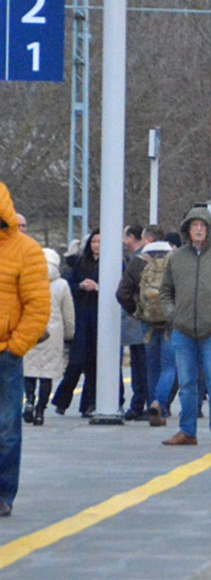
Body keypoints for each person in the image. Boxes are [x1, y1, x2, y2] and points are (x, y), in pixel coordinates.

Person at [158, 207, 211, 447]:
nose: (198, 229)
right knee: (186, 383)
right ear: (187, 229)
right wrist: (172, 314)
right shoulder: (177, 258)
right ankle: (187, 431)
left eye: (202, 225)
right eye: (194, 225)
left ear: (209, 229)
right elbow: (166, 291)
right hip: (183, 330)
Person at [0, 182, 52, 517]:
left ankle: (3, 493)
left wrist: (15, 348)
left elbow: (38, 307)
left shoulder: (26, 250)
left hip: (5, 354)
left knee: (6, 428)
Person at [116, 225, 178, 426]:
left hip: (147, 322)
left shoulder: (137, 262)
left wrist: (137, 311)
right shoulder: (177, 259)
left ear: (147, 240)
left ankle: (152, 404)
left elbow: (122, 293)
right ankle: (161, 404)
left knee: (151, 366)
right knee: (169, 366)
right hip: (172, 321)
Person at [52, 229, 101, 417]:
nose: (96, 245)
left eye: (99, 242)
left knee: (93, 363)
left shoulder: (112, 262)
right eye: (94, 242)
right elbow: (69, 285)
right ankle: (61, 400)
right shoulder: (82, 262)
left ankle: (88, 404)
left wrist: (97, 287)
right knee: (76, 361)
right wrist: (81, 286)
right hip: (81, 316)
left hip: (98, 318)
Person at [24, 249, 74, 426]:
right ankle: (40, 410)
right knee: (47, 374)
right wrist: (69, 334)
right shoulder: (62, 285)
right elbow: (68, 313)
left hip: (29, 329)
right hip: (53, 333)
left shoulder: (26, 280)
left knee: (29, 371)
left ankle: (29, 399)